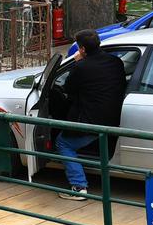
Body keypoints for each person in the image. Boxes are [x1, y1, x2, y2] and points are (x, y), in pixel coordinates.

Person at [53, 29, 130, 200]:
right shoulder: (115, 62)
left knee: (63, 143)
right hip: (113, 118)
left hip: (91, 121)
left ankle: (78, 187)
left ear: (82, 49)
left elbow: (68, 88)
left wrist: (76, 62)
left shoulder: (81, 66)